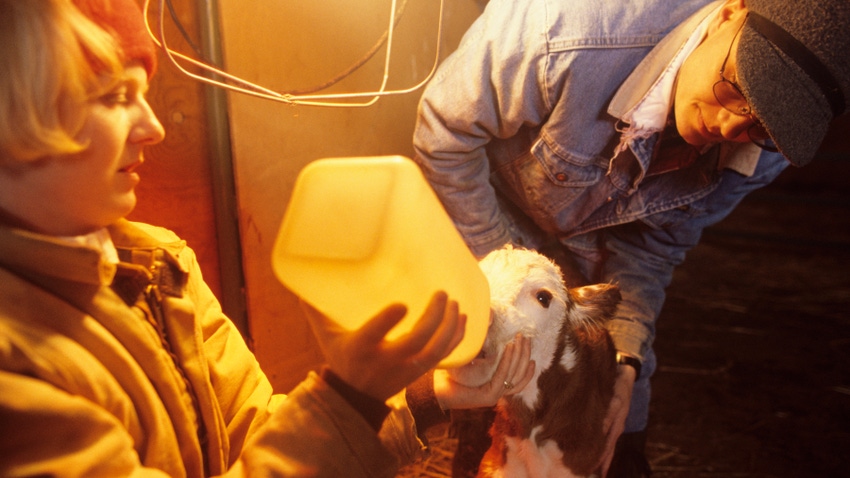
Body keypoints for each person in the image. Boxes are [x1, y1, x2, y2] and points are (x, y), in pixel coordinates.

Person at [0, 0, 536, 476]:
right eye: (115, 96)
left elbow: (257, 435)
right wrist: (349, 395)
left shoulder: (155, 263)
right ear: (12, 106)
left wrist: (423, 395)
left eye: (143, 93)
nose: (153, 126)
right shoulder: (15, 371)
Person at [411, 0, 850, 476]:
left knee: (621, 408)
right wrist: (504, 280)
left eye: (759, 126)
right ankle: (476, 449)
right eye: (737, 88)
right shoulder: (565, 32)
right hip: (489, 215)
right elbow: (444, 135)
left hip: (594, 250)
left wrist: (626, 359)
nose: (728, 127)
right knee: (487, 369)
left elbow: (651, 250)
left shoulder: (763, 153)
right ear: (730, 13)